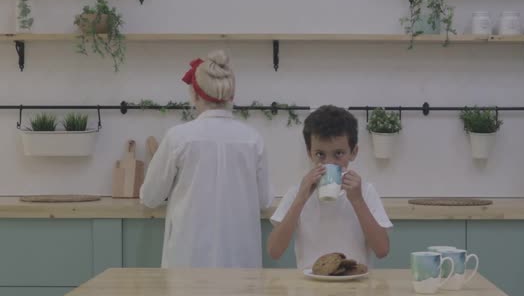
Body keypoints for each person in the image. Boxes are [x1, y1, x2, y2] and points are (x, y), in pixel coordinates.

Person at [140, 50, 273, 268]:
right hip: (240, 261)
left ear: (194, 95)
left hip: (188, 259)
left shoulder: (179, 137)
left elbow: (151, 197)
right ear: (232, 95)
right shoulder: (252, 139)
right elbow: (265, 200)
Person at [267, 105, 392, 269]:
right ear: (309, 153)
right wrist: (300, 198)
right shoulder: (297, 192)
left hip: (355, 286)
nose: (329, 163)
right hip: (309, 288)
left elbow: (382, 250)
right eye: (320, 154)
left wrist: (357, 200)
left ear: (353, 152)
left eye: (338, 154)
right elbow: (274, 252)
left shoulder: (365, 192)